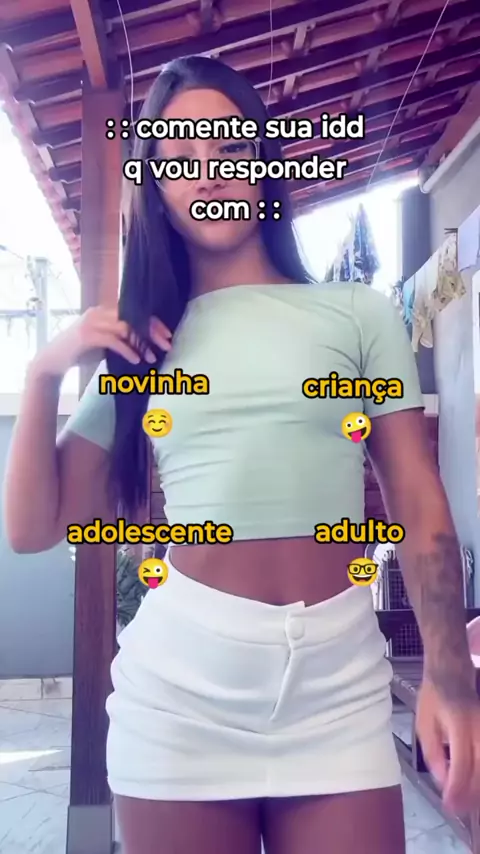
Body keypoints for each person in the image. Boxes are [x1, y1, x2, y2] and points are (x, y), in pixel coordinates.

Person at [4, 56, 480, 854]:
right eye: (181, 159)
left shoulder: (358, 315)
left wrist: (451, 674)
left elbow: (419, 501)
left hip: (339, 688)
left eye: (229, 148)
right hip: (181, 695)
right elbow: (32, 527)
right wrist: (43, 372)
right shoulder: (146, 346)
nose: (210, 174)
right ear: (156, 187)